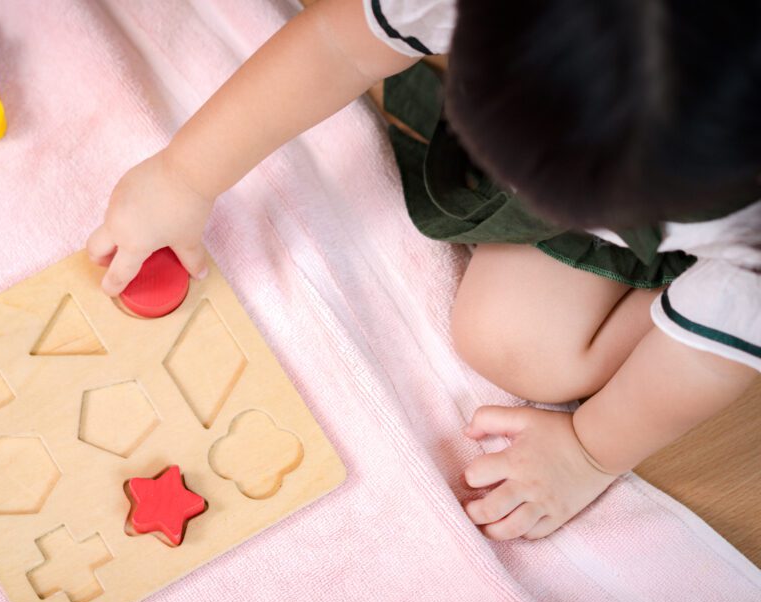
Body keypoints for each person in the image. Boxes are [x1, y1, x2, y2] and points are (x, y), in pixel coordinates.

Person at [84, 0, 760, 540]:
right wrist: (184, 173)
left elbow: (708, 362)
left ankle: (697, 293)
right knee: (503, 338)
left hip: (728, 241)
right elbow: (338, 43)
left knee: (552, 356)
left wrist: (590, 450)